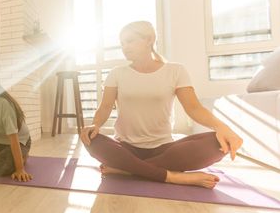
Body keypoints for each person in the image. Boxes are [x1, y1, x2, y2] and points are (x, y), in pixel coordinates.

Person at [80, 21, 243, 189]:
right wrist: (96, 124)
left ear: (149, 39)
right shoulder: (117, 73)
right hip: (125, 147)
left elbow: (193, 108)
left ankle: (128, 169)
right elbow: (105, 106)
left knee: (217, 143)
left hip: (164, 149)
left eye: (130, 41)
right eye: (122, 43)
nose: (125, 47)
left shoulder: (176, 71)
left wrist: (222, 127)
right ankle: (172, 177)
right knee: (91, 139)